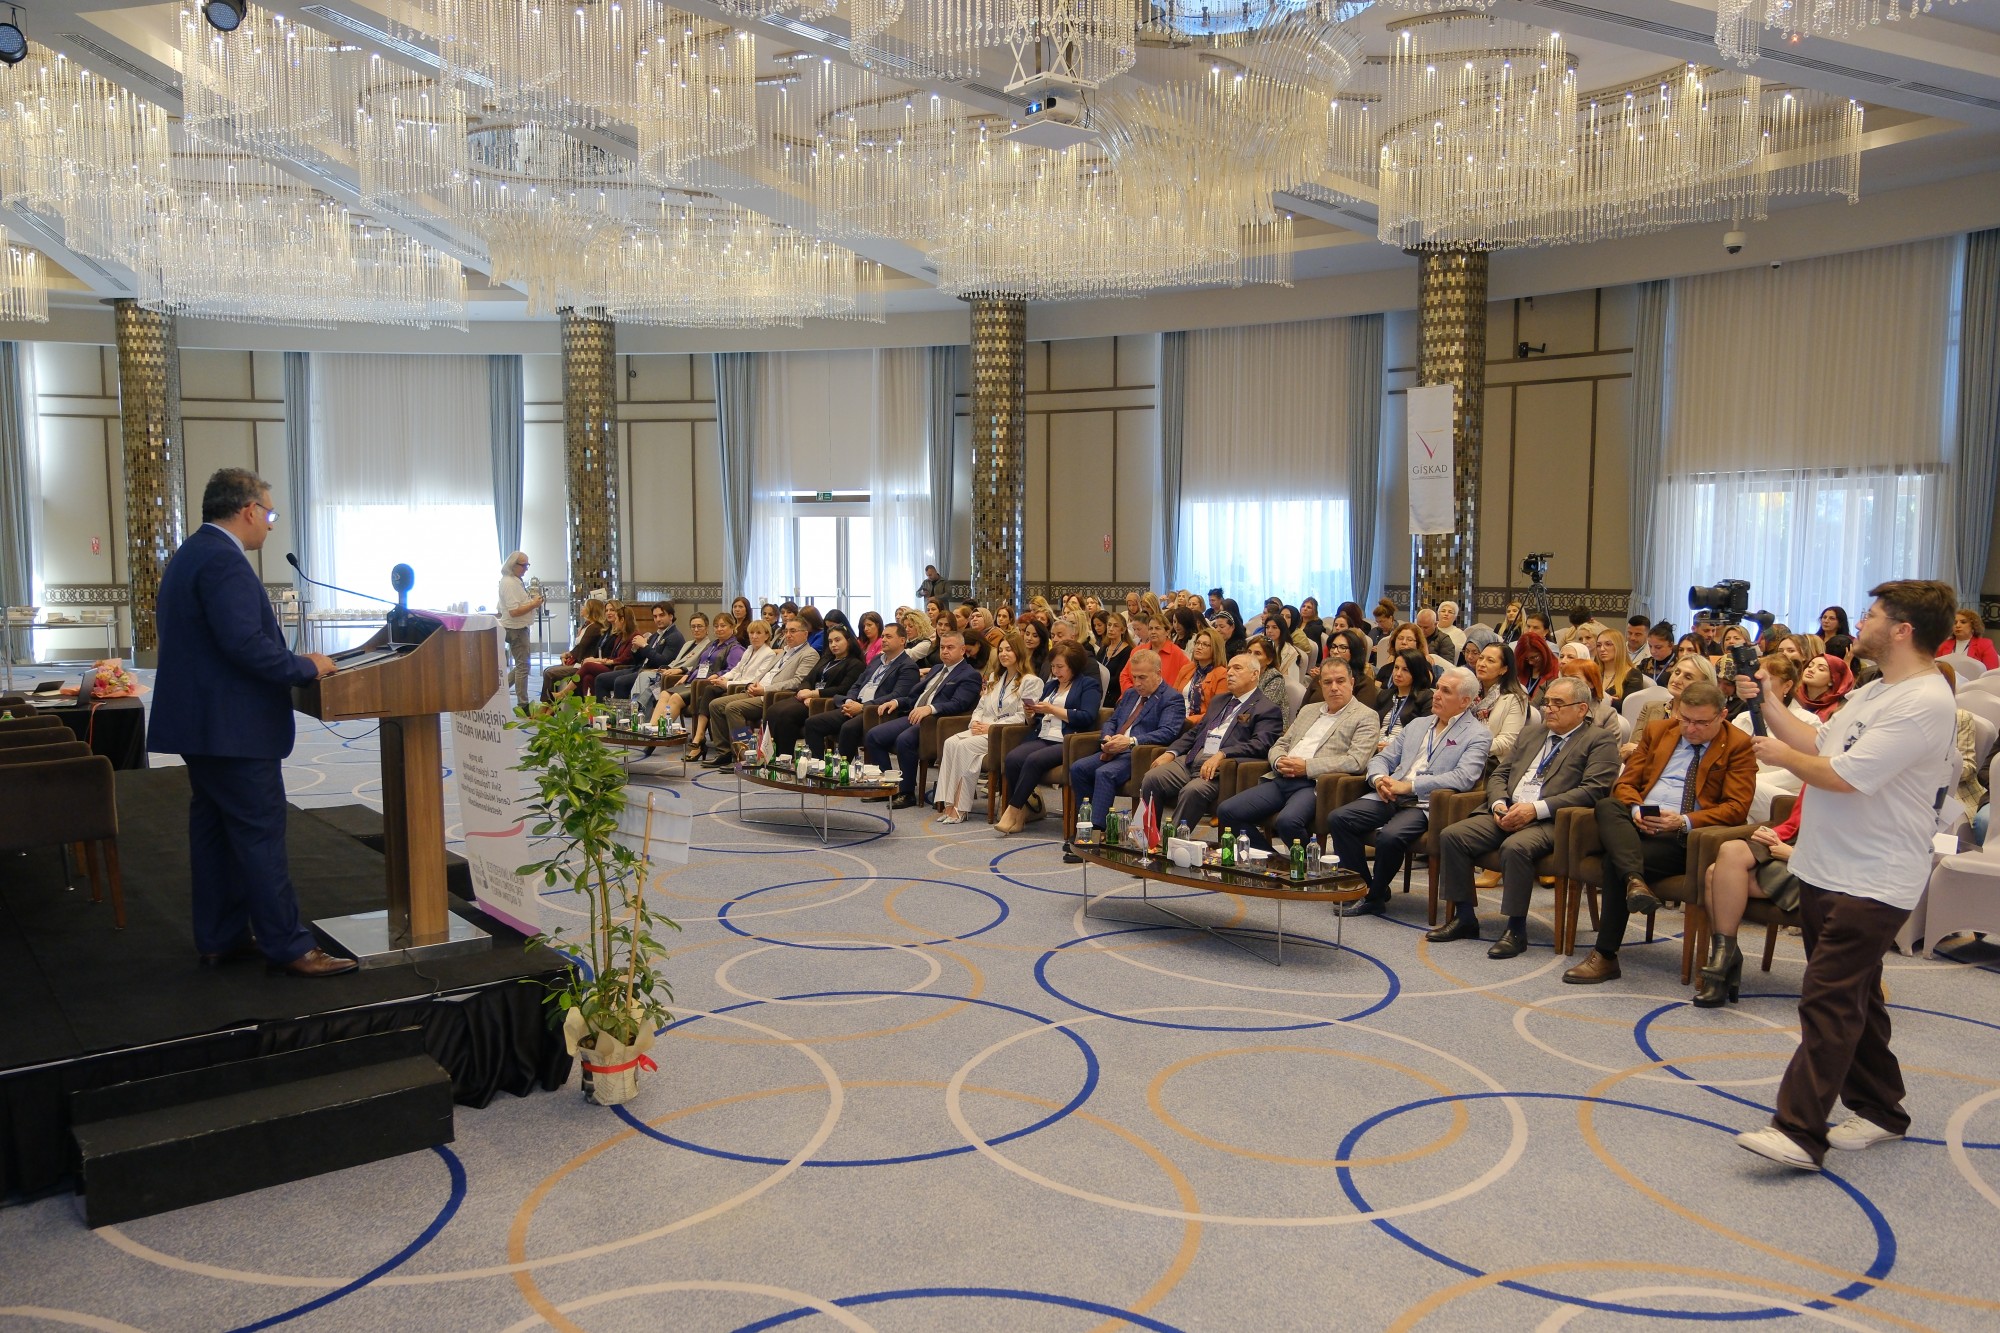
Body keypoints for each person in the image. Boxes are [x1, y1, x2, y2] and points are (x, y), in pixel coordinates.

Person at [1732, 580, 1960, 1172]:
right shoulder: (1876, 688)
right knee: (1856, 996)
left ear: (1903, 630)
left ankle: (1799, 1131)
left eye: (1872, 614)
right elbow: (1818, 741)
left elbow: (1847, 775)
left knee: (1828, 1000)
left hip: (1875, 876)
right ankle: (1882, 1108)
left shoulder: (1925, 700)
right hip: (1825, 866)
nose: (1861, 622)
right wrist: (1768, 702)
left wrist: (1781, 757)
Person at [149, 467, 353, 977]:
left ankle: (221, 936)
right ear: (248, 510)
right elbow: (244, 645)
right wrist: (305, 666)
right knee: (260, 837)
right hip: (233, 729)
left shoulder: (191, 553)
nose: (270, 523)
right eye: (270, 513)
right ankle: (289, 946)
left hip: (204, 727)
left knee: (215, 835)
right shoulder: (224, 561)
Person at [1563, 681, 1756, 985]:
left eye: (1701, 723)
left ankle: (1607, 953)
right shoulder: (1659, 731)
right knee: (1608, 805)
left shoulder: (1738, 745)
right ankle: (1635, 881)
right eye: (1685, 719)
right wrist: (1637, 810)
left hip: (1685, 838)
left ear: (1722, 715)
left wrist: (1683, 821)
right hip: (1638, 823)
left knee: (1615, 863)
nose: (1690, 728)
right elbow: (1626, 784)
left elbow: (1736, 807)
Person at [1429, 676, 1621, 951]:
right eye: (1547, 702)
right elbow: (1500, 774)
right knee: (1453, 836)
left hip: (1554, 820)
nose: (1549, 709)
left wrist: (1535, 809)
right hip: (1508, 810)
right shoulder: (1532, 733)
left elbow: (1593, 790)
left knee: (1515, 847)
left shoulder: (1599, 740)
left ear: (1582, 709)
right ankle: (1465, 917)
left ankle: (1516, 929)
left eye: (1558, 703)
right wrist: (1499, 804)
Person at [1326, 666, 1490, 914]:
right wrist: (1379, 779)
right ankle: (1364, 886)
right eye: (1437, 688)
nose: (1436, 695)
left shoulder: (1477, 734)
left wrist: (1411, 786)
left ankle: (1374, 898)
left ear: (1465, 701)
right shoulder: (1417, 724)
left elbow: (1464, 777)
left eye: (1446, 691)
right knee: (1339, 819)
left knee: (1390, 837)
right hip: (1390, 793)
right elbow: (1383, 758)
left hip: (1425, 803)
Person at [1215, 658, 1380, 854]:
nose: (1334, 687)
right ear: (1321, 684)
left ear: (1351, 683)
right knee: (1228, 811)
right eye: (1328, 682)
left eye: (1340, 681)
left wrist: (1307, 767)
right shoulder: (1309, 710)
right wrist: (1279, 760)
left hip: (1316, 784)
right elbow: (1281, 744)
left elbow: (1356, 761)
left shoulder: (1365, 716)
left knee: (1288, 822)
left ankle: (1308, 865)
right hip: (1282, 778)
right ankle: (1274, 862)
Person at [1138, 653, 1283, 832]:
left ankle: (1172, 842)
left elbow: (1260, 744)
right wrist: (1171, 752)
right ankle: (1147, 837)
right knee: (1152, 778)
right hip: (1192, 758)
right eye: (1229, 668)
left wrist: (1223, 754)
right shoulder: (1219, 701)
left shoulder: (1267, 708)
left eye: (1237, 668)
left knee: (1192, 791)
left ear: (1255, 674)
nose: (1230, 673)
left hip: (1221, 769)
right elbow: (1195, 733)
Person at [1064, 648, 1186, 859]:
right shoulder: (1130, 694)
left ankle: (1095, 835)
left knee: (1105, 773)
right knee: (1078, 769)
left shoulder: (1171, 698)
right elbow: (1112, 720)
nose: (1137, 683)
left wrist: (1130, 742)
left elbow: (1167, 732)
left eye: (1142, 677)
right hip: (1113, 748)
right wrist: (1107, 737)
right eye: (1134, 677)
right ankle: (1085, 826)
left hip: (1138, 754)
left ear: (1158, 674)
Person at [1699, 789, 1807, 1008]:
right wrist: (1771, 834)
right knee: (1726, 855)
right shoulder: (1817, 775)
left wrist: (1796, 855)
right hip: (1789, 845)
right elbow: (1795, 822)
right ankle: (1725, 956)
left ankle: (1723, 968)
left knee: (1715, 875)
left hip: (1818, 867)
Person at [995, 641, 1104, 834]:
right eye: (1053, 666)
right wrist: (1030, 713)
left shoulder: (1088, 685)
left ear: (1074, 665)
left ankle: (1013, 811)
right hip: (1043, 736)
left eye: (1060, 667)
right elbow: (1037, 719)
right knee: (1013, 759)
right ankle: (1021, 814)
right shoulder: (1051, 686)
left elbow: (1087, 716)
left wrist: (1052, 709)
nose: (1055, 671)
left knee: (1033, 760)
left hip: (1069, 741)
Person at [868, 629, 983, 807]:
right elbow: (914, 697)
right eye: (942, 647)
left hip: (937, 723)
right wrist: (897, 702)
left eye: (950, 647)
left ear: (962, 650)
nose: (945, 651)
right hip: (915, 715)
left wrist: (930, 709)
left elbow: (959, 704)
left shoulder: (969, 674)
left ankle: (907, 793)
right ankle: (888, 786)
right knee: (873, 735)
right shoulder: (937, 669)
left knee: (904, 740)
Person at [702, 615, 821, 767]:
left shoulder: (809, 654)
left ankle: (745, 756)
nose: (788, 635)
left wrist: (764, 690)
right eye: (786, 631)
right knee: (715, 705)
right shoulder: (784, 652)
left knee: (733, 708)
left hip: (772, 696)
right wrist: (751, 685)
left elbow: (797, 681)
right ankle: (724, 752)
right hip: (757, 690)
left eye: (793, 631)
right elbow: (765, 673)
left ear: (805, 634)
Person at [802, 619, 923, 759]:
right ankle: (818, 766)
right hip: (855, 705)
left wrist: (862, 707)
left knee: (848, 728)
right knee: (813, 723)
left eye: (888, 637)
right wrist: (849, 700)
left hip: (876, 711)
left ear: (902, 640)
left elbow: (897, 695)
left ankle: (843, 768)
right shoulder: (877, 660)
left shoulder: (908, 666)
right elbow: (857, 684)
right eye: (883, 636)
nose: (883, 640)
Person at [764, 625, 865, 757]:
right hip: (808, 698)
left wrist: (813, 694)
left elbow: (843, 689)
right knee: (773, 710)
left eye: (837, 640)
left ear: (849, 641)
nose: (833, 645)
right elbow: (808, 679)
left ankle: (785, 757)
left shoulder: (855, 664)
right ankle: (770, 756)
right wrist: (805, 691)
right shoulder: (826, 659)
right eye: (830, 641)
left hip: (824, 702)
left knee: (786, 714)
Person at [593, 603, 682, 701]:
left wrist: (644, 646)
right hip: (639, 669)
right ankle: (604, 710)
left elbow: (663, 662)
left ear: (671, 616)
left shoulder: (674, 637)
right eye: (655, 616)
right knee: (601, 679)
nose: (658, 619)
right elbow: (639, 659)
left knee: (621, 682)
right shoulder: (656, 635)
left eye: (661, 615)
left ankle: (622, 711)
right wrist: (635, 649)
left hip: (653, 673)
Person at [1469, 639, 1531, 762]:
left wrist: (1470, 746)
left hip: (1491, 760)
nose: (1482, 664)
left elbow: (1507, 742)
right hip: (1463, 752)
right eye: (1481, 658)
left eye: (1490, 660)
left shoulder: (1515, 697)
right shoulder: (1470, 690)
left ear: (1504, 669)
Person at [497, 551, 544, 709]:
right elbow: (514, 611)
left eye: (527, 565)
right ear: (513, 565)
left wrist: (531, 602)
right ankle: (522, 704)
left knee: (521, 665)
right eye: (523, 565)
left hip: (517, 627)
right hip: (515, 628)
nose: (526, 568)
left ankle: (498, 690)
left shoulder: (513, 581)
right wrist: (533, 604)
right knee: (523, 666)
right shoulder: (509, 583)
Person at [540, 597, 607, 701]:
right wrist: (568, 654)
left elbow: (582, 646)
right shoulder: (587, 625)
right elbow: (578, 647)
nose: (582, 608)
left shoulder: (595, 627)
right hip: (578, 660)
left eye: (585, 606)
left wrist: (568, 655)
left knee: (550, 673)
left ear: (591, 610)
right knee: (547, 670)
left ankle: (548, 705)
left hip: (582, 663)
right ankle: (549, 705)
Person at [1796, 650, 1853, 721]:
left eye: (1821, 669)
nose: (1811, 670)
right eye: (1810, 666)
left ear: (1833, 680)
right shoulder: (1791, 695)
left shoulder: (1838, 710)